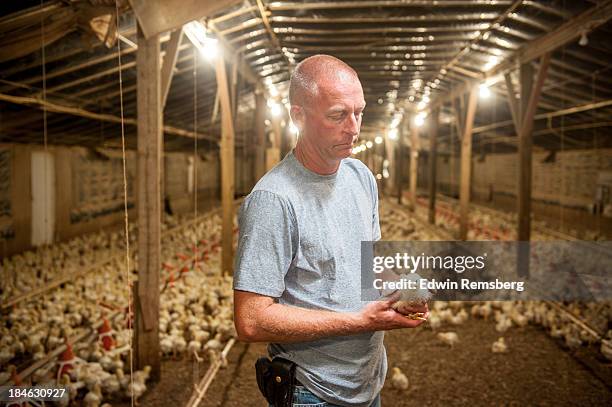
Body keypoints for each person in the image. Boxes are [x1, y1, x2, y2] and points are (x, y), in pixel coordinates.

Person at [233, 55, 428, 407]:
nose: (354, 128)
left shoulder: (360, 177)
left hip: (368, 382)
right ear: (299, 116)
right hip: (313, 393)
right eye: (338, 114)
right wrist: (359, 321)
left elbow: (368, 261)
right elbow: (250, 321)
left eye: (360, 112)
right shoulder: (273, 200)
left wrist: (401, 287)